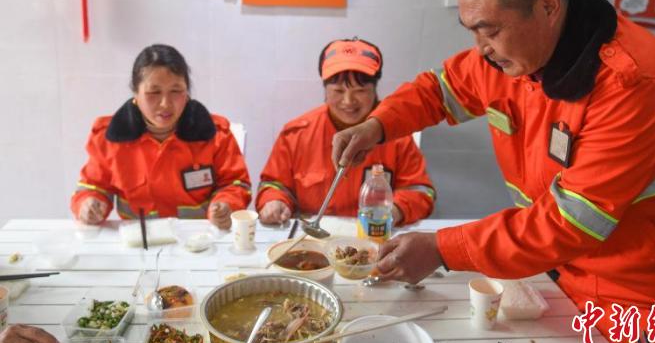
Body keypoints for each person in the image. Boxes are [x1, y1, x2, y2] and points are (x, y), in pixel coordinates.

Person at [332, 0, 655, 343]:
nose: (480, 49)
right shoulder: (515, 53)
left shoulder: (633, 86)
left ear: (547, 6)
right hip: (556, 276)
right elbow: (438, 91)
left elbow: (568, 222)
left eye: (488, 31)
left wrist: (442, 249)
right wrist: (376, 125)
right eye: (472, 30)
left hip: (636, 304)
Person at [256, 38, 435, 226]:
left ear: (375, 90)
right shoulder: (296, 134)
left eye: (360, 90)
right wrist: (274, 202)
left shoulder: (397, 135)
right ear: (325, 89)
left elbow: (420, 191)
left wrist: (396, 210)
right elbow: (273, 184)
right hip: (314, 240)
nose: (348, 101)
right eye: (338, 91)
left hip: (375, 236)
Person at [71, 44, 251, 230]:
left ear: (187, 92)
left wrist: (226, 204)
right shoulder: (109, 137)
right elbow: (93, 187)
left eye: (176, 91)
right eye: (153, 92)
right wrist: (90, 204)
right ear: (136, 94)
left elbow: (235, 183)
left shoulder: (215, 134)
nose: (165, 104)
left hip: (200, 241)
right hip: (139, 240)